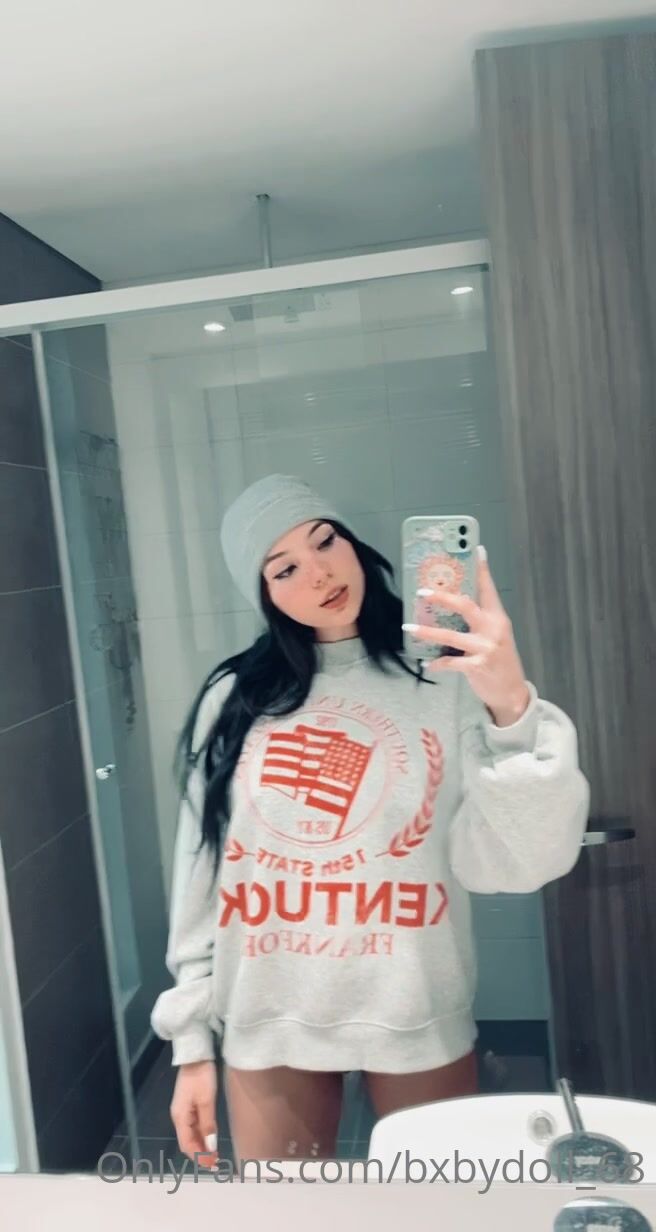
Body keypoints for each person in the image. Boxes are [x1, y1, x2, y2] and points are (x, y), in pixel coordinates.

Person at [150, 473, 589, 1168]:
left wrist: (511, 706)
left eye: (325, 541)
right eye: (284, 568)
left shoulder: (444, 678)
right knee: (289, 1215)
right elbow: (203, 874)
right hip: (270, 1006)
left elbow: (516, 862)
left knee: (440, 1211)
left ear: (354, 544)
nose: (319, 572)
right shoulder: (235, 699)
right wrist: (191, 1043)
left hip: (413, 1001)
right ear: (264, 596)